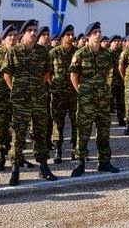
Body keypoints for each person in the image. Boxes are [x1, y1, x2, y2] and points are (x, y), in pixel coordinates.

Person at [2, 19, 57, 186]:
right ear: (23, 34)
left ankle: (43, 167)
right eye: (30, 30)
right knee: (18, 134)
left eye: (35, 30)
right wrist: (17, 89)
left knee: (40, 132)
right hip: (21, 100)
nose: (33, 33)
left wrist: (37, 87)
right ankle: (15, 169)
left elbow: (47, 73)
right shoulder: (14, 52)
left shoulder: (43, 52)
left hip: (39, 98)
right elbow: (6, 74)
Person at [70, 22, 120, 176]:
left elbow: (107, 75)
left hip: (103, 99)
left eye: (99, 31)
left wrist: (103, 90)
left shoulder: (106, 54)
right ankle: (80, 162)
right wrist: (82, 91)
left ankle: (104, 162)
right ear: (88, 36)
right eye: (94, 32)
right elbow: (74, 76)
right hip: (86, 100)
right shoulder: (80, 54)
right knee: (83, 132)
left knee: (104, 131)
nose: (98, 35)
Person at [0, 25, 18, 172]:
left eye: (14, 35)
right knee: (1, 126)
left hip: (18, 97)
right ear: (4, 38)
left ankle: (17, 157)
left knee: (17, 127)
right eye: (9, 36)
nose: (12, 38)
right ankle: (1, 157)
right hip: (1, 96)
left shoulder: (21, 53)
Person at [49, 25, 78, 163]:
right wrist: (53, 84)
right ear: (62, 37)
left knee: (76, 122)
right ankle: (58, 151)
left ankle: (75, 150)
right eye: (68, 35)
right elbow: (47, 72)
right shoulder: (54, 53)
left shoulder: (78, 53)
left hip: (74, 94)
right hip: (58, 94)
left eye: (72, 34)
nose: (71, 37)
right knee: (58, 123)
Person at [109, 35, 125, 127]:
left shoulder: (122, 53)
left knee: (121, 102)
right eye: (115, 41)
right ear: (111, 42)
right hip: (109, 83)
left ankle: (121, 119)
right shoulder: (106, 53)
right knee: (108, 103)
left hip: (120, 81)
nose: (117, 43)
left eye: (118, 41)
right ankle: (107, 120)